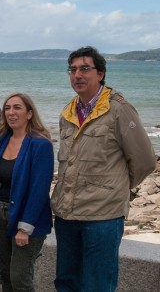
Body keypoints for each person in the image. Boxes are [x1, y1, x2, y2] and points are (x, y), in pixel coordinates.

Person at [51, 46, 155, 292]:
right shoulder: (68, 113)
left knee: (97, 285)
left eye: (85, 69)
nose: (77, 75)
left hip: (102, 218)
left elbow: (145, 161)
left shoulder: (118, 109)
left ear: (101, 73)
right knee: (66, 283)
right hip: (67, 215)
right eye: (73, 69)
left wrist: (116, 188)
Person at [0, 93, 53, 292]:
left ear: (29, 113)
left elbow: (39, 190)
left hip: (27, 219)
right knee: (6, 273)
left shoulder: (40, 144)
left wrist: (25, 227)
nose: (11, 112)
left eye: (17, 107)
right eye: (7, 108)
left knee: (20, 277)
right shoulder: (3, 140)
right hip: (2, 214)